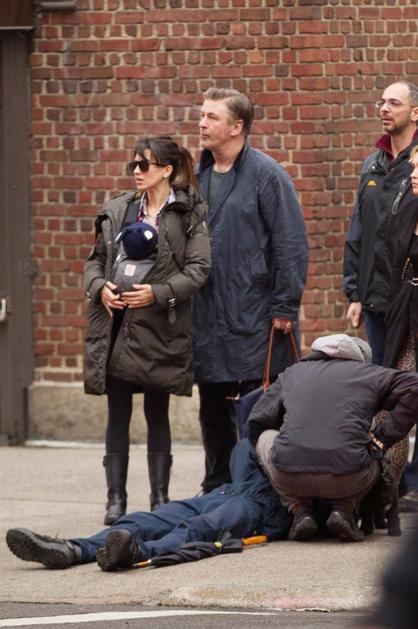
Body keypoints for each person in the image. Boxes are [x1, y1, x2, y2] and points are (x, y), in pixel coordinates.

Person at [84, 136, 211, 524]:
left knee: (157, 412)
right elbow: (95, 261)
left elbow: (199, 270)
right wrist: (99, 287)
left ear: (167, 170)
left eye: (145, 165)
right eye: (133, 165)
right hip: (117, 326)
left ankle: (160, 499)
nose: (136, 172)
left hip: (160, 327)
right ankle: (115, 501)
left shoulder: (188, 212)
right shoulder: (119, 209)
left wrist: (157, 294)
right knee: (117, 411)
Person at [193, 87, 308, 494]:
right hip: (207, 314)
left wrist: (285, 305)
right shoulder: (196, 178)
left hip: (256, 313)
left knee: (258, 407)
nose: (202, 123)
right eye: (202, 115)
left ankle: (264, 488)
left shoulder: (267, 175)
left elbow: (291, 243)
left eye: (212, 117)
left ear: (237, 127)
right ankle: (217, 487)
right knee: (212, 405)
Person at [5, 439, 292, 571]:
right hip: (226, 492)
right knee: (146, 520)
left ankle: (136, 553)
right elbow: (242, 450)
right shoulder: (270, 435)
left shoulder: (308, 455)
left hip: (264, 508)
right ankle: (73, 549)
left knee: (197, 528)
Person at [247, 334, 418, 542]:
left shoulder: (292, 372)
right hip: (349, 479)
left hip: (289, 477)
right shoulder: (371, 373)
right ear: (358, 357)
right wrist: (383, 436)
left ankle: (300, 511)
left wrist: (290, 439)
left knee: (266, 437)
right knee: (368, 450)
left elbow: (256, 420)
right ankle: (344, 509)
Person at [343, 81, 418, 365]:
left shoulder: (417, 165)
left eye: (394, 103)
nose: (384, 109)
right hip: (375, 301)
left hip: (409, 299)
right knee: (381, 379)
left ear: (415, 113)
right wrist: (355, 294)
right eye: (382, 102)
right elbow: (358, 230)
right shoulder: (372, 165)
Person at [381, 145, 418, 511]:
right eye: (413, 167)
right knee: (395, 396)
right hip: (406, 310)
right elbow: (393, 261)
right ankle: (387, 487)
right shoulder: (408, 208)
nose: (414, 175)